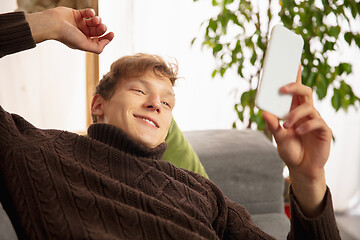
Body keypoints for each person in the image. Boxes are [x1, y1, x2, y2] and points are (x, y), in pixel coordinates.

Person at [0, 6, 341, 240]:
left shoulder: (202, 191)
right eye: (139, 90)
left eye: (167, 101)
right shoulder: (36, 151)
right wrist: (46, 24)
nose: (155, 104)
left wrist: (309, 177)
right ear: (98, 104)